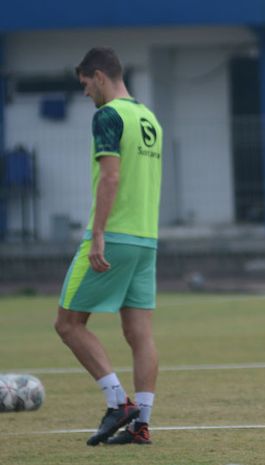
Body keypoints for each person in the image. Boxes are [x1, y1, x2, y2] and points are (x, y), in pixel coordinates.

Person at [53, 47, 163, 446]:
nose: (85, 94)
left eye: (85, 84)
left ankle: (119, 402)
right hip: (146, 239)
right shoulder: (149, 117)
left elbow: (111, 178)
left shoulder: (108, 116)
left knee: (67, 324)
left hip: (114, 235)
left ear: (99, 76)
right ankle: (142, 424)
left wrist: (98, 232)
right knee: (140, 332)